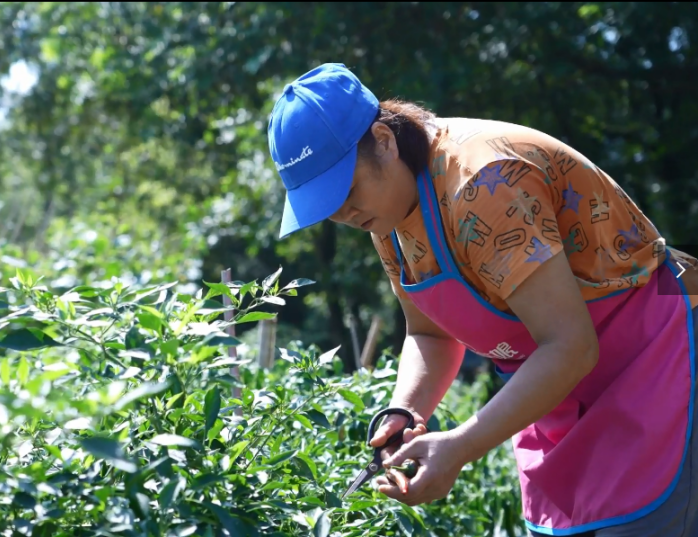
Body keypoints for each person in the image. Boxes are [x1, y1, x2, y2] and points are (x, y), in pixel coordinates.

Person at [267, 62, 698, 536]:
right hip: (562, 393)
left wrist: (459, 446)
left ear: (384, 141)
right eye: (325, 206)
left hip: (656, 359)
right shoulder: (385, 218)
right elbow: (430, 334)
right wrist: (405, 411)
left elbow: (571, 346)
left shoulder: (483, 184)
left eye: (346, 191)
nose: (343, 214)